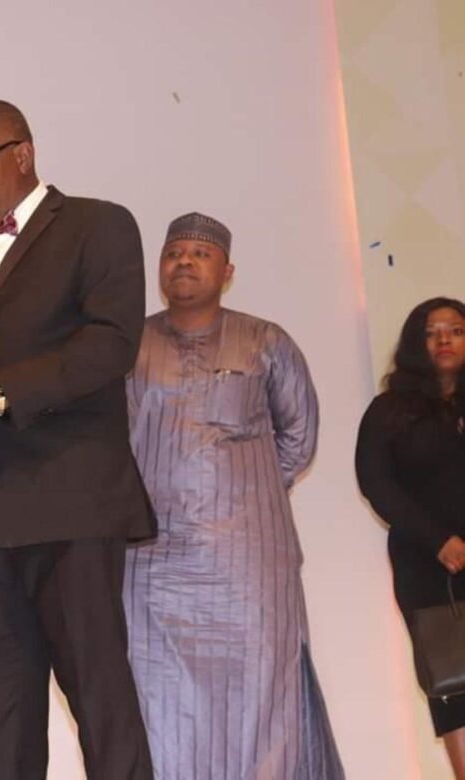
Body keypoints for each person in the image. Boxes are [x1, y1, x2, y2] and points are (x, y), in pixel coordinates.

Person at [0, 99, 155, 779]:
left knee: (102, 706)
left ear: (22, 154)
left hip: (67, 504)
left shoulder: (99, 225)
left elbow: (110, 345)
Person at [123, 212, 344, 778]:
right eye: (174, 253)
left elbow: (299, 436)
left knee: (262, 693)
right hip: (154, 562)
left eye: (200, 254)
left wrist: (245, 498)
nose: (184, 263)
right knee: (160, 699)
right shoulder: (129, 344)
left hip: (247, 562)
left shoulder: (265, 341)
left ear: (228, 271)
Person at [356, 297, 465, 778]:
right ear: (415, 343)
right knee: (454, 681)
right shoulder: (389, 411)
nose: (444, 340)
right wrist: (439, 539)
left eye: (456, 330)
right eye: (432, 331)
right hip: (428, 567)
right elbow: (376, 482)